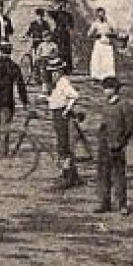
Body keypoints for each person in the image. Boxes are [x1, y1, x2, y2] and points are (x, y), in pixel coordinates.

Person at [93, 76, 133, 214]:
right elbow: (103, 123)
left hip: (117, 144)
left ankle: (122, 204)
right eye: (104, 88)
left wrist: (122, 141)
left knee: (118, 175)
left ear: (115, 89)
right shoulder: (106, 104)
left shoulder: (123, 105)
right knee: (103, 174)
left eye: (108, 88)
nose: (106, 91)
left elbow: (130, 125)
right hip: (104, 144)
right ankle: (105, 202)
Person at [0, 39, 32, 139]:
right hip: (7, 100)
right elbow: (21, 86)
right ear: (10, 52)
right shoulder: (14, 67)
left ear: (0, 52)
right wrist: (25, 102)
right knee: (6, 126)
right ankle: (4, 149)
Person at [46, 57, 81, 189]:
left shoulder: (63, 82)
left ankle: (67, 175)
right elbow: (56, 98)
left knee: (63, 144)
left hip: (61, 115)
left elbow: (75, 95)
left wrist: (67, 109)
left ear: (60, 71)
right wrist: (46, 98)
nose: (53, 75)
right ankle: (73, 174)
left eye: (56, 72)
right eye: (52, 72)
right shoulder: (57, 83)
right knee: (61, 143)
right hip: (56, 113)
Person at [88, 7, 118, 83]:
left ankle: (108, 77)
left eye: (102, 15)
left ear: (104, 14)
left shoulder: (110, 23)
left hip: (108, 44)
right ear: (97, 15)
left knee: (108, 60)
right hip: (99, 44)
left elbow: (116, 33)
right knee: (97, 60)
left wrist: (110, 34)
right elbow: (89, 34)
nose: (101, 17)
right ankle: (96, 77)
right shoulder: (95, 23)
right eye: (99, 15)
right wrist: (95, 35)